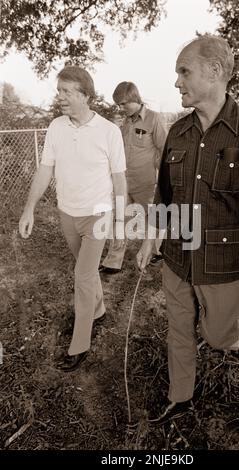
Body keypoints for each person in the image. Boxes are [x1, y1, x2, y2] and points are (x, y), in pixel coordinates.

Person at [137, 34, 239, 424]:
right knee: (178, 328)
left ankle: (234, 330)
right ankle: (180, 394)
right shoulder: (177, 133)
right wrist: (151, 238)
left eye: (184, 71)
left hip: (223, 259)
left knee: (217, 335)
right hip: (176, 255)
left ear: (214, 72)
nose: (177, 82)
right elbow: (163, 195)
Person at [19, 65, 127, 372]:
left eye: (67, 92)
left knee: (81, 276)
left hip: (98, 215)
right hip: (68, 213)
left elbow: (119, 181)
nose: (60, 98)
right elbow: (45, 170)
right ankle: (100, 309)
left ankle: (79, 344)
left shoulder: (109, 131)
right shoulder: (55, 127)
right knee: (87, 270)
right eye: (59, 91)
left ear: (86, 95)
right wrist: (29, 208)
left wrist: (120, 221)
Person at [99, 81, 167, 274]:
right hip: (124, 182)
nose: (121, 108)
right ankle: (113, 261)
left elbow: (164, 149)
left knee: (152, 218)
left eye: (123, 104)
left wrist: (161, 177)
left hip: (147, 182)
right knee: (120, 218)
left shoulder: (154, 119)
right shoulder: (125, 123)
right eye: (118, 105)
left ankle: (156, 251)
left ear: (134, 99)